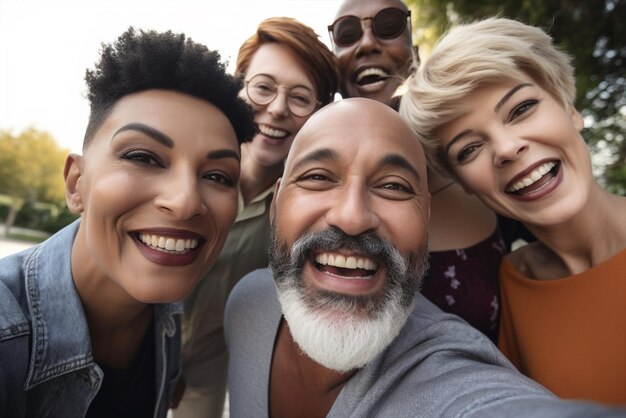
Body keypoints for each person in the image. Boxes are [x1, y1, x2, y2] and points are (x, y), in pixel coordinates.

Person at [224, 98, 626, 417]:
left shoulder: (450, 373)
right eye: (317, 177)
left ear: (426, 219)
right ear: (275, 205)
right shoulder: (246, 302)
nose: (351, 216)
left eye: (394, 187)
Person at [0, 27, 254, 417]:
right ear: (76, 183)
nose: (186, 202)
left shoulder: (166, 312)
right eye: (143, 157)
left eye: (218, 176)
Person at [400, 17, 626, 405]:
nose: (506, 148)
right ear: (465, 184)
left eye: (521, 108)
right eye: (468, 149)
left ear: (570, 109)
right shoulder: (514, 279)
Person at [172, 17, 340, 418]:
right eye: (263, 87)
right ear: (238, 86)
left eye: (300, 97)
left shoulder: (309, 210)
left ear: (318, 111)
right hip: (139, 344)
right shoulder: (182, 167)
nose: (278, 108)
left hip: (214, 365)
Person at [329, 0, 509, 342]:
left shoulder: (483, 164)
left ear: (414, 55)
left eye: (388, 25)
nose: (367, 43)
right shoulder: (313, 189)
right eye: (347, 34)